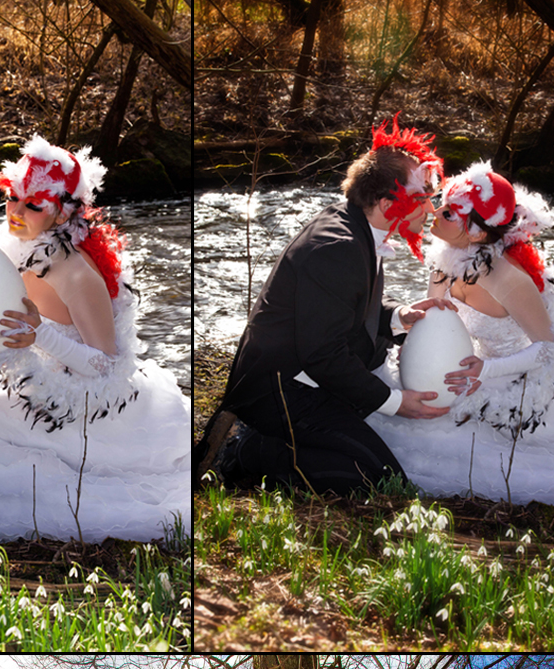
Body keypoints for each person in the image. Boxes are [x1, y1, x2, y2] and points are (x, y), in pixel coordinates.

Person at [0, 134, 191, 543]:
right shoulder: (16, 246)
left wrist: (43, 336)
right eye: (12, 197)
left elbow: (111, 369)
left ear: (60, 214)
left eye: (32, 205)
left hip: (77, 408)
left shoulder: (76, 274)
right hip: (19, 382)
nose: (15, 211)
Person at [195, 115, 461, 498]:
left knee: (380, 474)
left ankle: (271, 445)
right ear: (389, 203)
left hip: (308, 379)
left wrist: (396, 316)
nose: (430, 211)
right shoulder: (337, 247)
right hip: (279, 391)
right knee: (377, 479)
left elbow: (345, 307)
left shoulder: (357, 224)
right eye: (423, 200)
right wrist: (395, 402)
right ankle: (246, 451)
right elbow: (323, 353)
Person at [371, 164, 554, 517]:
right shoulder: (444, 262)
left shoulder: (509, 279)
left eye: (447, 212)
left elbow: (550, 350)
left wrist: (486, 370)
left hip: (527, 380)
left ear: (474, 233)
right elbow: (439, 323)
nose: (433, 213)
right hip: (470, 368)